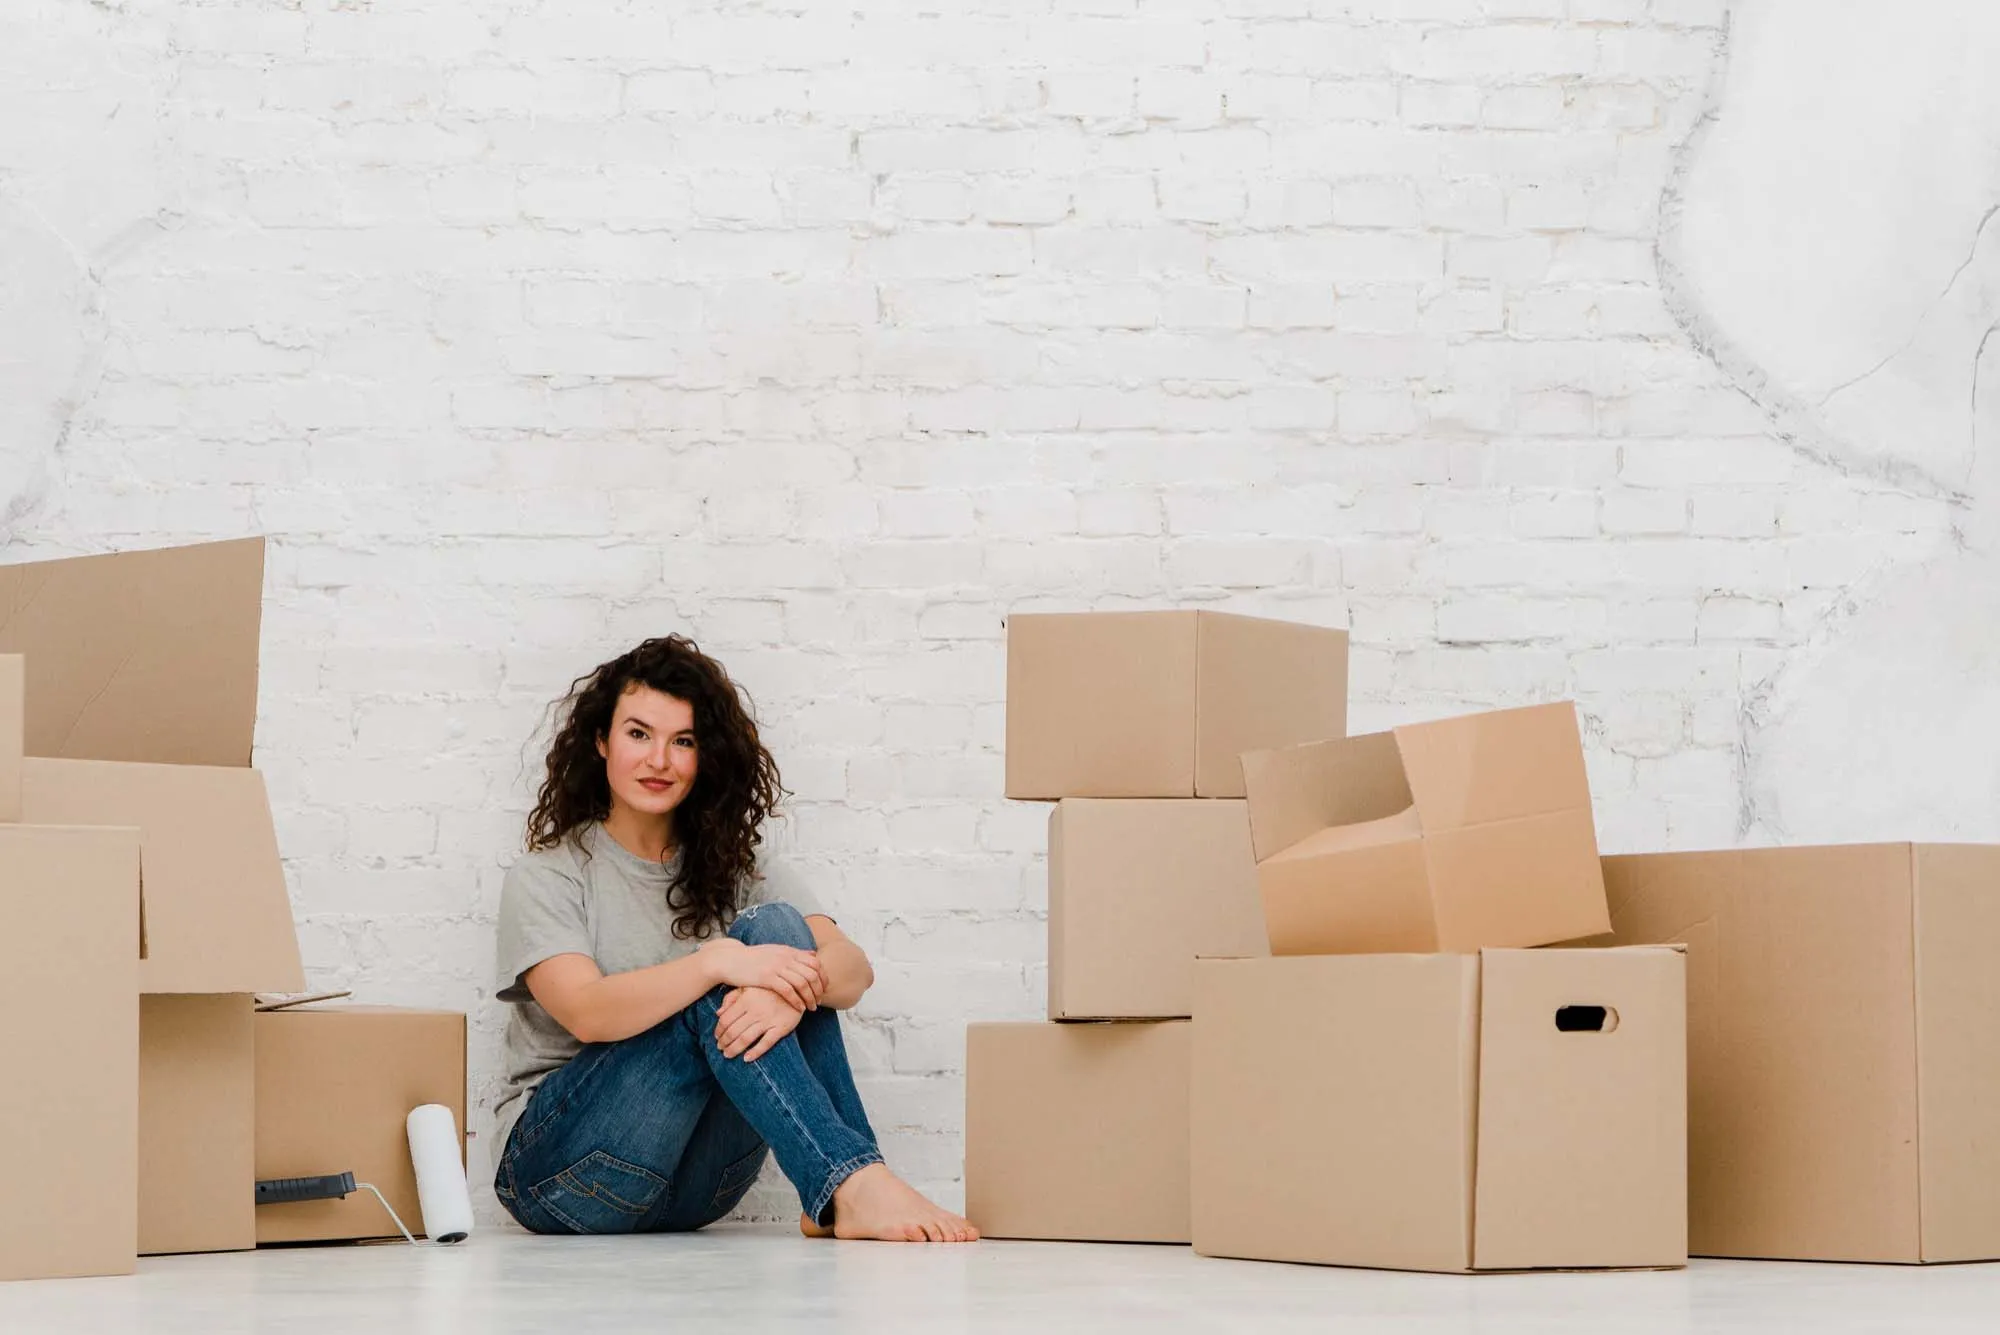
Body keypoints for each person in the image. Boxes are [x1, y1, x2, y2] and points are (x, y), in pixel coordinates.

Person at [490, 635, 978, 1243]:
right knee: (730, 971)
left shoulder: (738, 869)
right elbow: (587, 1013)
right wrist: (714, 965)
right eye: (638, 734)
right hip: (564, 1176)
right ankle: (854, 1181)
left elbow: (853, 972)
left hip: (696, 1188)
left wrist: (789, 989)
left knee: (777, 933)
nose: (659, 760)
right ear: (601, 742)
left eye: (684, 741)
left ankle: (837, 1189)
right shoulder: (550, 874)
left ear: (706, 756)